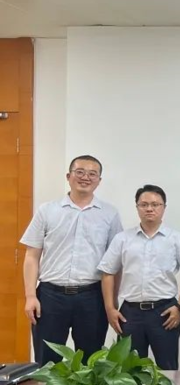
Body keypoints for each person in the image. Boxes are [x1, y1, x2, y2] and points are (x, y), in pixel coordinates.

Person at [20, 155, 123, 366]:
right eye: (80, 172)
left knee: (90, 363)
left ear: (99, 180)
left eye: (92, 174)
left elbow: (114, 264)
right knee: (47, 362)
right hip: (50, 296)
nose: (86, 177)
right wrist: (30, 296)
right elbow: (32, 255)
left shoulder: (110, 214)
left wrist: (111, 301)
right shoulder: (47, 210)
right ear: (68, 176)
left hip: (92, 297)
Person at [97, 185, 180, 370]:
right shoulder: (123, 239)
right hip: (130, 313)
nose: (149, 209)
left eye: (155, 204)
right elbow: (107, 272)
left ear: (164, 207)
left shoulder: (175, 238)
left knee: (168, 367)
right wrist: (110, 308)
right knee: (130, 370)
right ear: (137, 207)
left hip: (164, 311)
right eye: (144, 204)